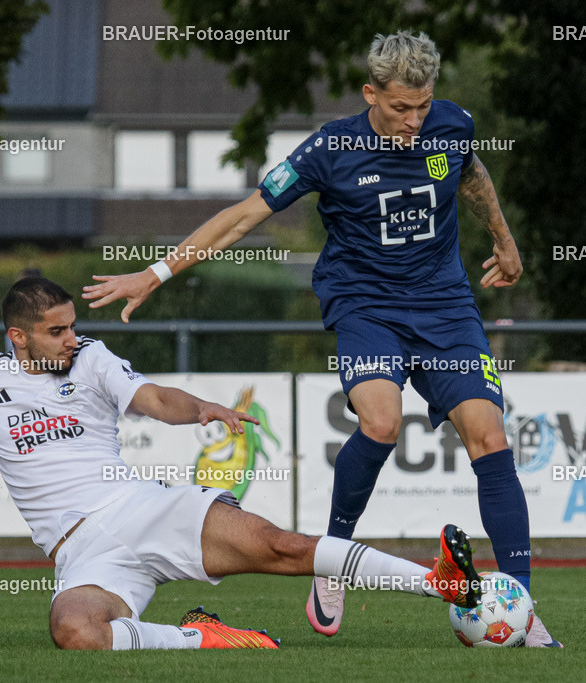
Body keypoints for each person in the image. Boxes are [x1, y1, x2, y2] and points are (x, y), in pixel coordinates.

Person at [81, 30, 561, 648]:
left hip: (444, 306)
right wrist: (157, 272)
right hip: (365, 307)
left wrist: (503, 238)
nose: (414, 121)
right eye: (399, 109)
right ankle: (332, 563)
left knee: (491, 438)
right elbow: (243, 215)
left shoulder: (452, 125)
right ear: (370, 94)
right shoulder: (329, 150)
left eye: (422, 106)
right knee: (381, 423)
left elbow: (472, 175)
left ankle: (521, 606)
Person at [0, 277, 482, 651]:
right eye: (56, 332)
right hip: (81, 553)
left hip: (141, 508)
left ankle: (438, 582)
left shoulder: (93, 360)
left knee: (281, 546)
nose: (71, 340)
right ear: (18, 337)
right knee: (75, 632)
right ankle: (202, 637)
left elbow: (156, 399)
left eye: (73, 327)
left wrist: (202, 410)